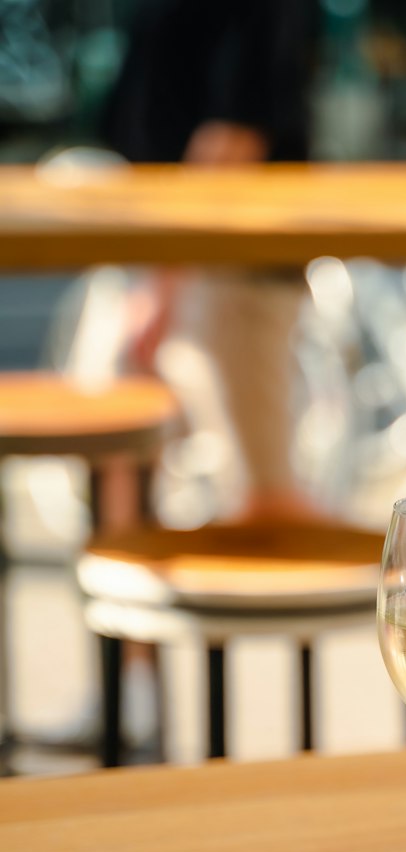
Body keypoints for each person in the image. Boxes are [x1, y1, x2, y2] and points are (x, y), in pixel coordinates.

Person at [102, 0, 325, 523]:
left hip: (225, 263)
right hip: (171, 251)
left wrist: (164, 282)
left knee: (262, 499)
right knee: (116, 459)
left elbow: (235, 136)